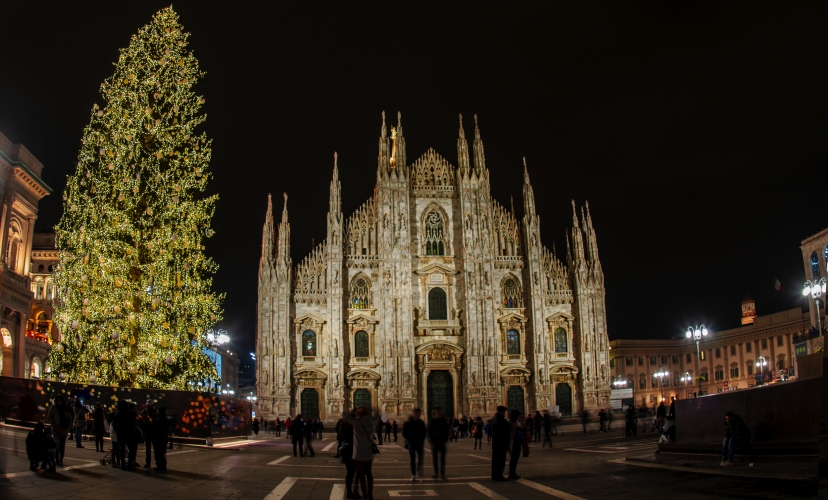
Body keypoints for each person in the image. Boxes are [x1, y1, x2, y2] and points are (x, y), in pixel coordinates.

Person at [344, 406, 378, 500]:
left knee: (361, 476)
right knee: (369, 474)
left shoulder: (357, 422)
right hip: (368, 452)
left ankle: (365, 497)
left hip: (358, 453)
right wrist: (373, 410)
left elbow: (346, 416)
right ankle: (370, 494)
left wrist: (354, 412)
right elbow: (379, 417)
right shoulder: (371, 423)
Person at [46, 395, 72, 466]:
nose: (59, 402)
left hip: (64, 429)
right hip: (56, 429)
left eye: (60, 401)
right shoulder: (53, 408)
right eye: (57, 401)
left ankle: (61, 460)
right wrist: (53, 424)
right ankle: (56, 460)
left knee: (62, 446)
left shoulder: (65, 409)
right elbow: (49, 417)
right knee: (57, 445)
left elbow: (70, 419)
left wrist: (68, 427)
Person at [338, 416, 361, 499]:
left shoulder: (357, 424)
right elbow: (340, 436)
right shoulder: (344, 424)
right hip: (348, 451)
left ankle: (355, 491)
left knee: (357, 473)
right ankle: (349, 491)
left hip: (356, 450)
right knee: (351, 472)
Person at [402, 408, 426, 481]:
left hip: (419, 443)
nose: (417, 415)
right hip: (411, 443)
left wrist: (422, 439)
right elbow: (404, 432)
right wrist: (409, 439)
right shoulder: (408, 422)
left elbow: (424, 432)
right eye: (416, 414)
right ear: (413, 414)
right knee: (412, 459)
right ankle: (413, 474)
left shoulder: (421, 422)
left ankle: (419, 473)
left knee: (420, 459)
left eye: (418, 414)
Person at [428, 408, 449, 480]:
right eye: (436, 413)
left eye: (439, 412)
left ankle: (442, 473)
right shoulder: (432, 421)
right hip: (434, 443)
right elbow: (429, 432)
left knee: (442, 459)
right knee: (435, 459)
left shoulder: (444, 421)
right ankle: (436, 473)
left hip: (442, 442)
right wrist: (431, 441)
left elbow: (447, 431)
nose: (438, 414)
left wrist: (445, 440)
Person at [491, 406, 510, 481]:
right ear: (502, 411)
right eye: (504, 411)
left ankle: (494, 475)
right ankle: (499, 475)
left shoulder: (494, 418)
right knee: (501, 459)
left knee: (495, 459)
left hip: (496, 442)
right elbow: (505, 430)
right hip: (501, 443)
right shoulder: (500, 419)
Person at [152, 407, 170, 471]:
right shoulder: (166, 419)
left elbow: (154, 429)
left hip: (157, 438)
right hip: (164, 438)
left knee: (158, 453)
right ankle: (163, 465)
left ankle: (159, 466)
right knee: (162, 452)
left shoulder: (157, 420)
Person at [507, 410, 523, 479]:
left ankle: (513, 472)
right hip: (513, 442)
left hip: (518, 441)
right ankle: (511, 473)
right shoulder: (509, 422)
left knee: (515, 458)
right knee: (513, 458)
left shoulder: (516, 422)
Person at [139, 401, 156, 468]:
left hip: (153, 432)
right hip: (148, 432)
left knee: (153, 449)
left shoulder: (154, 412)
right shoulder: (145, 412)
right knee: (148, 449)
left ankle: (152, 463)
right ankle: (148, 462)